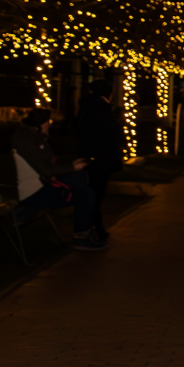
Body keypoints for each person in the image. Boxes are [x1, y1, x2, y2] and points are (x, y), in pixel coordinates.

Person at [12, 108, 106, 251]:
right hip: (34, 192)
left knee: (83, 181)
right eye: (47, 122)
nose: (49, 124)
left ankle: (86, 228)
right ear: (40, 123)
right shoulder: (26, 140)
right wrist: (73, 168)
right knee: (85, 192)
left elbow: (49, 161)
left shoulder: (34, 137)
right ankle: (83, 235)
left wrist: (72, 164)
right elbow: (44, 169)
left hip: (44, 184)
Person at [74, 78, 124, 240]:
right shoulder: (102, 109)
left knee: (91, 192)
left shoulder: (86, 107)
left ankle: (90, 226)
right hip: (100, 159)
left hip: (89, 157)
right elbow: (111, 134)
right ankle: (93, 228)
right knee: (96, 193)